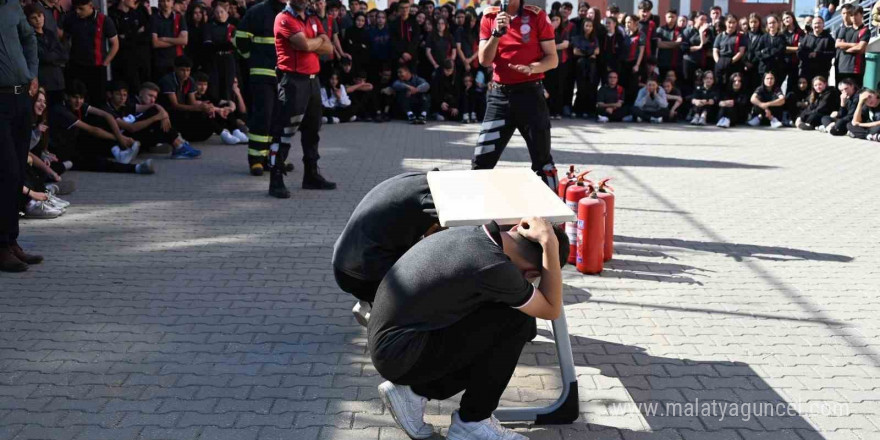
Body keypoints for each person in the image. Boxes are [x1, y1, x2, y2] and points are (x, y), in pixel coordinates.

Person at [369, 217, 567, 440]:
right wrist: (549, 243)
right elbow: (550, 309)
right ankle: (472, 422)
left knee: (509, 317)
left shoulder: (477, 236)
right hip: (401, 355)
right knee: (517, 318)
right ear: (530, 274)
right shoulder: (494, 267)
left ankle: (415, 392)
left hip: (394, 345)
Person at [332, 171, 438, 326]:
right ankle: (387, 316)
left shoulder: (418, 180)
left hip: (344, 264)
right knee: (433, 276)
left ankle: (372, 303)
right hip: (362, 276)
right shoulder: (431, 201)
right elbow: (441, 243)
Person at [474, 0, 559, 189]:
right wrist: (496, 33)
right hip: (499, 97)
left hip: (530, 95)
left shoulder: (537, 16)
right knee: (481, 162)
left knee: (543, 162)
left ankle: (552, 216)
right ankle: (477, 215)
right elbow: (484, 60)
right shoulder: (489, 17)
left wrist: (531, 68)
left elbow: (552, 59)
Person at [271, 0, 337, 199]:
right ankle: (276, 180)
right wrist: (316, 41)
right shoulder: (284, 18)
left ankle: (311, 175)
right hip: (292, 81)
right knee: (285, 131)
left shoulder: (312, 19)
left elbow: (329, 49)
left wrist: (313, 43)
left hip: (312, 81)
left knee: (312, 129)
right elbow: (305, 44)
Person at [0, 0, 43, 272]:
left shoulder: (11, 5)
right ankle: (1, 245)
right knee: (6, 171)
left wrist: (32, 73)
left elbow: (29, 39)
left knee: (17, 174)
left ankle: (12, 241)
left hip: (20, 99)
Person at [49, 80, 155, 175]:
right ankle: (136, 168)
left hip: (75, 144)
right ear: (66, 96)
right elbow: (92, 130)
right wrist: (119, 139)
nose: (78, 101)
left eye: (81, 98)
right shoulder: (61, 111)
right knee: (97, 162)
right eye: (75, 97)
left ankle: (119, 153)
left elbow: (107, 115)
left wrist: (120, 138)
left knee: (102, 124)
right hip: (61, 152)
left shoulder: (80, 105)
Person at [235, 0, 286, 176]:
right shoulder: (256, 12)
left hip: (285, 76)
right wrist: (255, 58)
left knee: (280, 120)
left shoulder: (292, 12)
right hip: (262, 73)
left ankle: (274, 159)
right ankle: (256, 159)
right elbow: (240, 38)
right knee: (263, 117)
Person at [105, 81, 197, 154]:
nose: (122, 98)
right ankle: (178, 144)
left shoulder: (124, 105)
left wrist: (163, 114)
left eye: (124, 95)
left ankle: (178, 143)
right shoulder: (109, 109)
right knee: (155, 116)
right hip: (123, 139)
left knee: (156, 113)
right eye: (150, 96)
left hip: (135, 134)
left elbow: (154, 106)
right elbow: (132, 128)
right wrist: (157, 117)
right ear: (140, 93)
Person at [62, 0, 119, 105]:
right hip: (76, 66)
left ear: (90, 6)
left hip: (96, 68)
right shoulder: (71, 19)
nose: (78, 12)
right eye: (76, 8)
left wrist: (105, 63)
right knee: (77, 99)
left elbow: (115, 44)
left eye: (81, 9)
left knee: (98, 100)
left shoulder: (104, 20)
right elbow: (65, 39)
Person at [25, 4, 67, 105]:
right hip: (44, 82)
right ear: (28, 20)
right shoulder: (30, 37)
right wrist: (55, 55)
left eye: (39, 16)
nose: (38, 20)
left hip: (58, 80)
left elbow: (64, 55)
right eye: (33, 18)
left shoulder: (50, 33)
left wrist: (53, 56)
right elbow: (44, 57)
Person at [192, 72, 248, 144]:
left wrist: (231, 107)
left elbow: (226, 102)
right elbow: (201, 105)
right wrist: (219, 110)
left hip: (209, 129)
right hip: (197, 129)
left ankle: (235, 131)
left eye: (205, 84)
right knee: (207, 111)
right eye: (200, 84)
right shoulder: (192, 97)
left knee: (225, 106)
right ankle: (224, 134)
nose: (203, 87)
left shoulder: (207, 95)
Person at [111, 0, 152, 92]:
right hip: (124, 62)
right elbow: (117, 40)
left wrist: (127, 36)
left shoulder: (140, 11)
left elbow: (148, 34)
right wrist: (136, 33)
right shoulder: (112, 14)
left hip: (143, 60)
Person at [203, 3, 238, 102]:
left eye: (222, 12)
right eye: (217, 12)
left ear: (226, 12)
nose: (219, 15)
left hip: (228, 60)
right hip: (214, 60)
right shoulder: (209, 27)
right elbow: (208, 46)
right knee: (214, 88)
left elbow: (235, 46)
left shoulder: (232, 28)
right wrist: (226, 44)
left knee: (227, 88)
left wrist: (218, 45)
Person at [151, 0, 189, 79]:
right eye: (163, 1)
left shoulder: (179, 17)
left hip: (177, 60)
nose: (165, 3)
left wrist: (164, 39)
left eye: (168, 1)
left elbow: (184, 41)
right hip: (159, 61)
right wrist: (176, 41)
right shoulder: (154, 18)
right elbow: (155, 43)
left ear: (172, 2)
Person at [835, 5, 869, 88]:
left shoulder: (865, 30)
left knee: (856, 94)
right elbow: (838, 44)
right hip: (841, 68)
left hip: (856, 69)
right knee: (840, 92)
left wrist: (846, 48)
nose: (853, 17)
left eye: (856, 15)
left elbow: (860, 48)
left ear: (861, 15)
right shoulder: (844, 29)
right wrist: (855, 45)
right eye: (852, 15)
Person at [571, 17, 599, 118]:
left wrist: (585, 52)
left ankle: (588, 110)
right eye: (586, 26)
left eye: (590, 26)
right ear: (583, 27)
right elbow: (575, 51)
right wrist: (589, 52)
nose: (588, 28)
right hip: (581, 65)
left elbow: (597, 51)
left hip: (591, 66)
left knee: (590, 87)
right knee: (581, 87)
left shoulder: (594, 38)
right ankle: (577, 110)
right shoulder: (578, 38)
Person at [681, 12, 712, 95]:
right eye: (701, 19)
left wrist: (701, 33)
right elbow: (684, 48)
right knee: (687, 84)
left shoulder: (708, 32)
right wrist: (699, 47)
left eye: (705, 20)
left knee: (701, 83)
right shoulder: (688, 31)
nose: (704, 22)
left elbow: (706, 46)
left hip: (701, 61)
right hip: (689, 61)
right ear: (695, 19)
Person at [797, 15, 834, 83]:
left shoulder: (829, 38)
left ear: (823, 24)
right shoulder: (807, 37)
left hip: (822, 71)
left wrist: (817, 54)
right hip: (806, 70)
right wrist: (808, 55)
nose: (817, 25)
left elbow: (832, 53)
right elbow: (799, 52)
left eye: (819, 23)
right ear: (812, 25)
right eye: (815, 23)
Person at [713, 15, 747, 90]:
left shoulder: (740, 36)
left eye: (734, 22)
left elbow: (741, 52)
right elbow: (715, 50)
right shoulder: (720, 36)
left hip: (734, 62)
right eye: (729, 22)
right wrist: (718, 62)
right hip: (720, 61)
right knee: (719, 84)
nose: (731, 25)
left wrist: (731, 61)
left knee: (732, 84)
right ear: (725, 23)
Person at [390, 0, 421, 69]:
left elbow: (416, 39)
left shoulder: (414, 22)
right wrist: (402, 54)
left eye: (407, 7)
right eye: (402, 8)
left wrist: (409, 53)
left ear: (409, 8)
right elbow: (393, 40)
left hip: (412, 55)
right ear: (399, 9)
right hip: (399, 56)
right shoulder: (394, 23)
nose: (404, 10)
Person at [621, 14, 645, 104]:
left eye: (629, 22)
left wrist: (637, 65)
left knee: (632, 86)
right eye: (626, 22)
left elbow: (641, 51)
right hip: (624, 62)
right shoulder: (624, 33)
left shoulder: (641, 34)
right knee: (623, 84)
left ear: (635, 23)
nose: (627, 24)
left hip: (634, 62)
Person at [656, 9, 684, 82]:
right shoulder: (660, 30)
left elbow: (678, 43)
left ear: (676, 17)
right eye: (669, 17)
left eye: (673, 17)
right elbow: (658, 44)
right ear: (665, 17)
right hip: (663, 62)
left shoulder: (680, 30)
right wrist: (673, 44)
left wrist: (665, 43)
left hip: (676, 62)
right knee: (663, 82)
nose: (671, 19)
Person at [781, 11, 804, 91]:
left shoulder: (800, 32)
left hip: (795, 63)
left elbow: (800, 48)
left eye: (787, 17)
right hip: (783, 63)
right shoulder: (782, 33)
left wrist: (786, 49)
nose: (786, 20)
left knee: (792, 86)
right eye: (784, 19)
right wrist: (793, 48)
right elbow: (781, 48)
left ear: (792, 18)